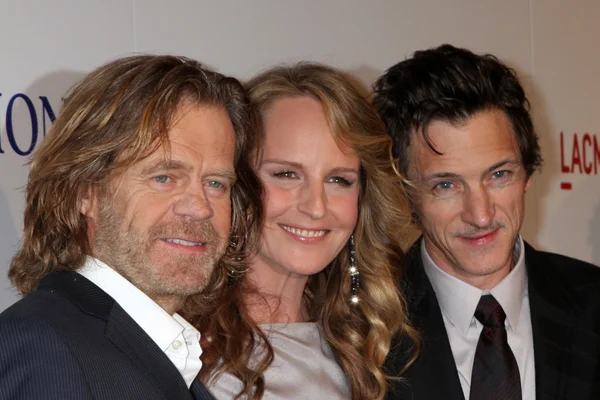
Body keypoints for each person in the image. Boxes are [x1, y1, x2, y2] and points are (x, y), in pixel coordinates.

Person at [0, 54, 262, 400]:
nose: (200, 208)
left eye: (216, 183)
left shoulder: (166, 356)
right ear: (84, 192)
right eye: (164, 178)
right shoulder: (42, 347)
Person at [373, 44, 600, 400]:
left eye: (498, 175)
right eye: (445, 185)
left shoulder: (594, 302)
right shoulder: (362, 329)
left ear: (527, 173)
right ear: (404, 194)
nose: (480, 215)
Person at [182, 63, 419, 400]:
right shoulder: (184, 344)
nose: (316, 207)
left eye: (339, 180)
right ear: (237, 181)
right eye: (287, 174)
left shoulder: (367, 337)